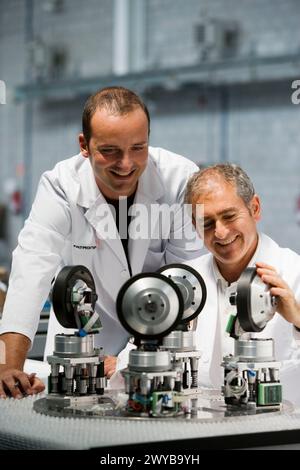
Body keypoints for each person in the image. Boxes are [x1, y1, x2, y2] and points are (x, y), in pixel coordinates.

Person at [0, 86, 200, 398]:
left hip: (157, 346)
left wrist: (127, 358)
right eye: (110, 151)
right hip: (80, 349)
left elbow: (184, 282)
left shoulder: (180, 179)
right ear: (84, 144)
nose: (126, 164)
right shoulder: (61, 185)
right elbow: (31, 269)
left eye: (138, 148)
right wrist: (7, 366)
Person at [185, 163, 300, 404]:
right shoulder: (184, 283)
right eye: (206, 223)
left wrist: (298, 318)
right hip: (203, 428)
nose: (220, 233)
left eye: (229, 216)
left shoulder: (294, 272)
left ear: (254, 208)